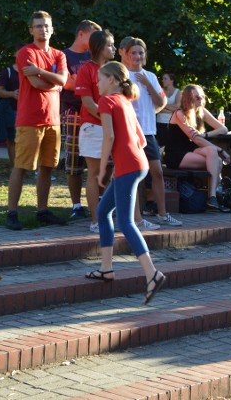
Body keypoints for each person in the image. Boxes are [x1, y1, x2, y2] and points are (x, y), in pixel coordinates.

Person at [84, 61, 166, 305]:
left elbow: (109, 136)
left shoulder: (108, 101)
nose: (97, 83)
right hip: (137, 163)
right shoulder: (125, 101)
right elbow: (140, 139)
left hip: (129, 166)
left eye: (100, 79)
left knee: (126, 222)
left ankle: (152, 274)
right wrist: (122, 164)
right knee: (102, 211)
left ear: (111, 80)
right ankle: (106, 268)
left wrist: (102, 169)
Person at [6, 11, 69, 230]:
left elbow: (63, 79)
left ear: (52, 29)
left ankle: (42, 211)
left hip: (53, 120)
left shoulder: (59, 55)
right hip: (29, 119)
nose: (44, 29)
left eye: (47, 25)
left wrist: (41, 72)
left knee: (47, 167)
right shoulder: (25, 53)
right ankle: (12, 213)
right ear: (31, 30)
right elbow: (38, 84)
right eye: (39, 26)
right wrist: (54, 82)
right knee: (21, 166)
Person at [119, 36, 182, 227]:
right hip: (131, 132)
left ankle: (163, 214)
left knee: (157, 172)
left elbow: (160, 102)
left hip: (149, 131)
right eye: (133, 53)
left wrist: (147, 83)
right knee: (135, 175)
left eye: (140, 53)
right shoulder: (122, 76)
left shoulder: (151, 76)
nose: (137, 56)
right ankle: (137, 218)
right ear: (126, 54)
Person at [76, 30, 117, 234]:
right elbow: (88, 102)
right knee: (93, 174)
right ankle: (95, 220)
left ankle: (106, 215)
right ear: (100, 47)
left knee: (110, 173)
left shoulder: (116, 70)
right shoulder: (87, 70)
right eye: (110, 45)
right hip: (93, 127)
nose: (114, 49)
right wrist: (107, 118)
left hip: (111, 128)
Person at [164, 84, 230, 208]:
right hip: (177, 154)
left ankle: (212, 197)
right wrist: (221, 150)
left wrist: (205, 134)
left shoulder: (201, 111)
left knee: (212, 152)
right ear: (189, 98)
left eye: (202, 97)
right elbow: (196, 140)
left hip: (192, 151)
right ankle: (214, 195)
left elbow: (223, 129)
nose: (201, 100)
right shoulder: (180, 114)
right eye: (198, 97)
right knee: (218, 160)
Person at [62, 20, 102, 222]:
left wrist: (77, 82)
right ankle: (76, 205)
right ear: (81, 34)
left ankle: (100, 203)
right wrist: (74, 82)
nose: (97, 40)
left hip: (96, 114)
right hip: (73, 112)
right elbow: (67, 82)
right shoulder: (65, 56)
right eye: (93, 35)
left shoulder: (93, 57)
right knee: (73, 161)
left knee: (100, 160)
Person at [0, 56, 21, 164]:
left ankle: (32, 169)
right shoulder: (8, 71)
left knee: (30, 140)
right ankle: (15, 168)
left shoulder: (31, 71)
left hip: (28, 111)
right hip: (11, 111)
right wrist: (12, 94)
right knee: (12, 140)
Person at [156, 72, 180, 148]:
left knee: (171, 143)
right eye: (163, 79)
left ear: (172, 80)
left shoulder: (178, 91)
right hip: (160, 121)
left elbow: (177, 106)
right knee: (161, 144)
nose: (163, 80)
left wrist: (163, 105)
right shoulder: (160, 91)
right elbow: (157, 107)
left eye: (165, 78)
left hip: (172, 122)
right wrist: (170, 109)